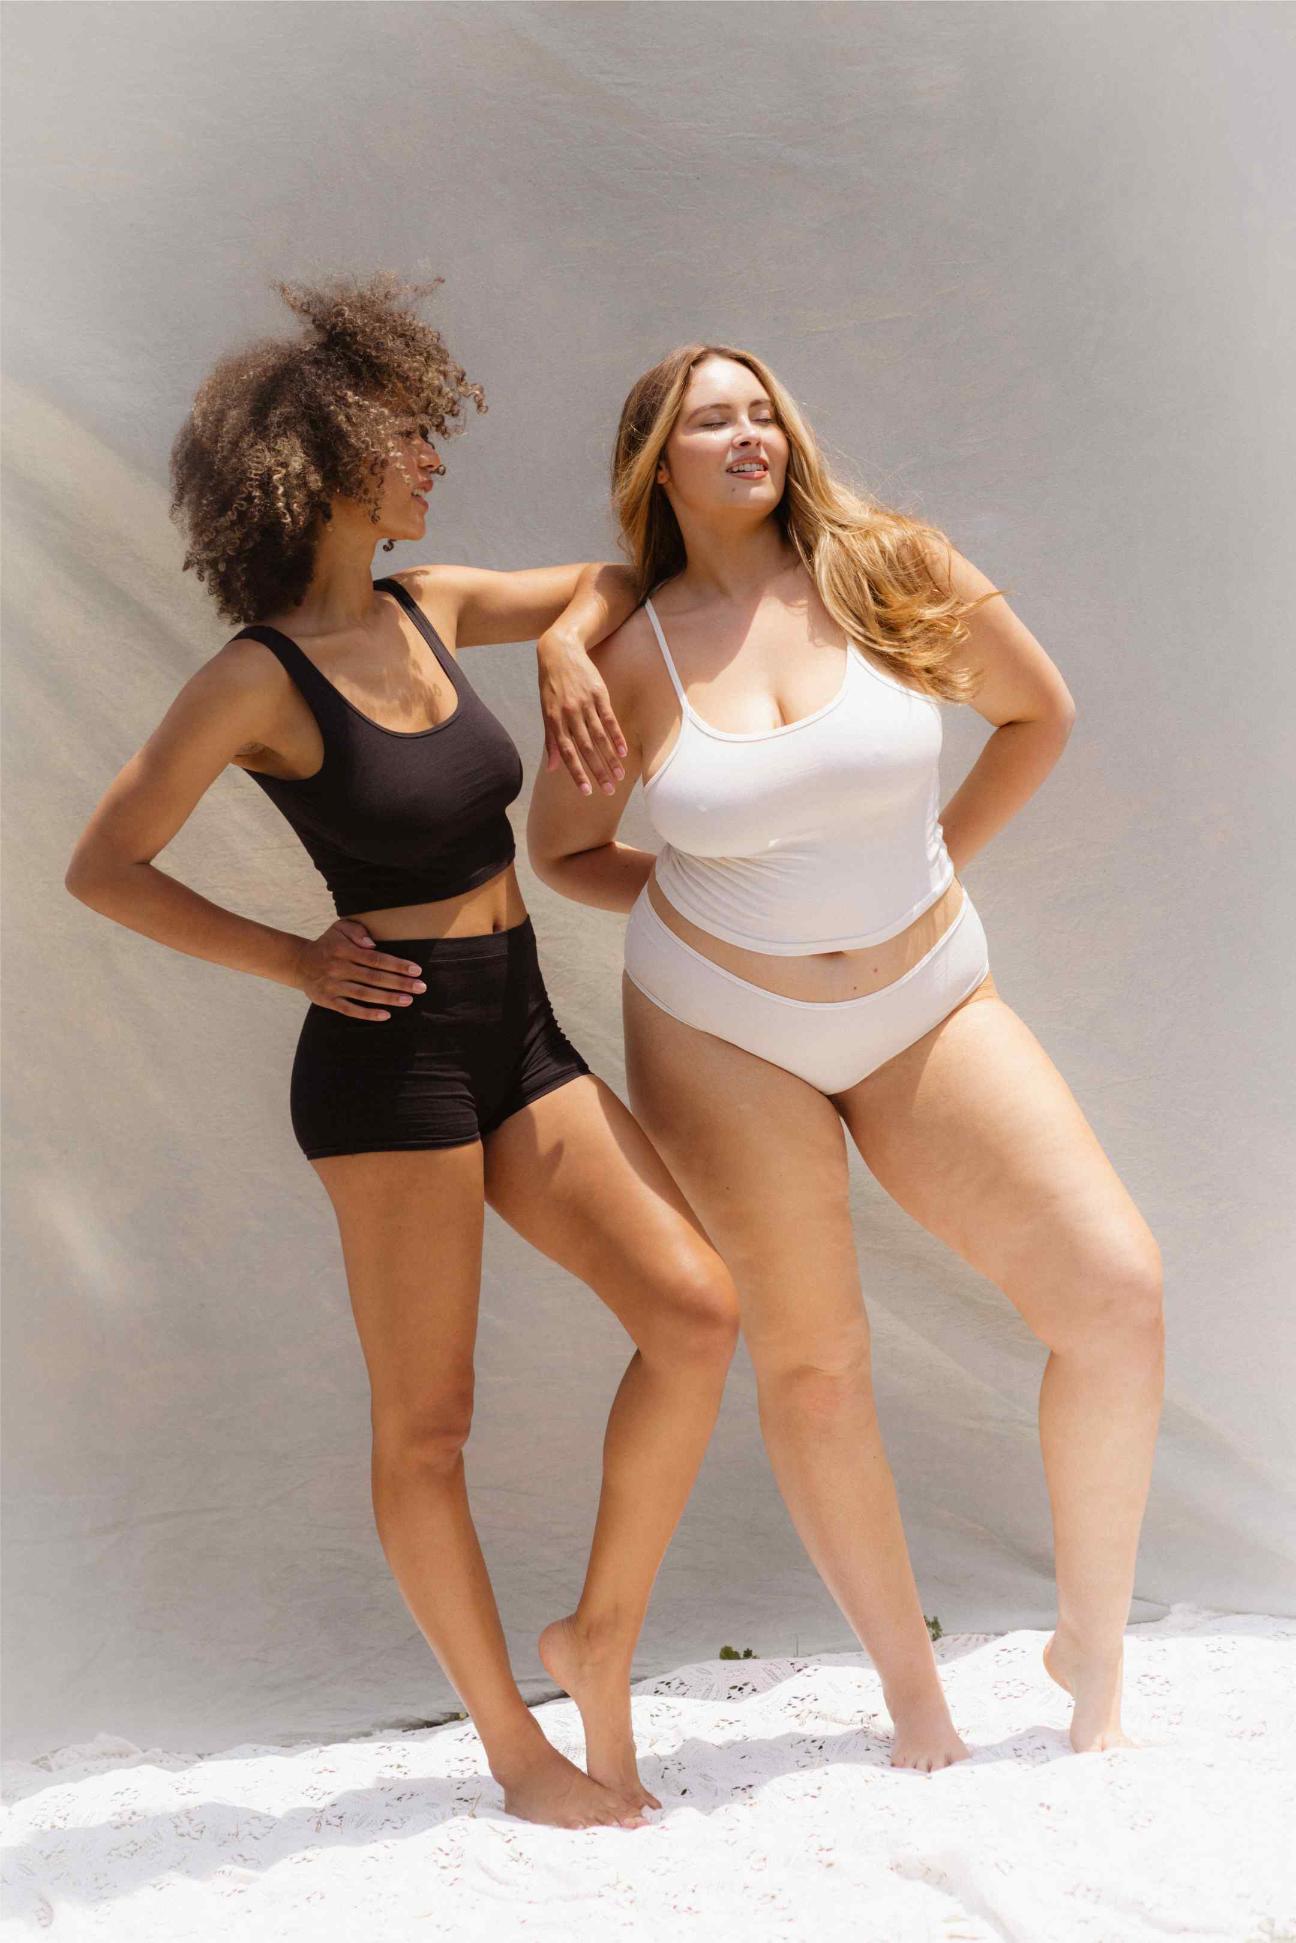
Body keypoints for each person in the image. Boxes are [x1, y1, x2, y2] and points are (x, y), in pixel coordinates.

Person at [64, 280, 742, 1830]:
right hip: (392, 1064)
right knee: (428, 1429)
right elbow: (103, 866)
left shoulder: (431, 603)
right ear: (319, 459)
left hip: (518, 1022)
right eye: (408, 437)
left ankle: (595, 1634)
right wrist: (292, 957)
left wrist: (561, 650)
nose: (434, 458)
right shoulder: (257, 678)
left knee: (697, 1312)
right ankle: (515, 1753)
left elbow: (618, 579)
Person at [529, 343, 1165, 1763]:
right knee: (816, 1364)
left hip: (928, 997)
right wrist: (728, 904)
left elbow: (1037, 713)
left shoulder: (890, 569)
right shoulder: (630, 657)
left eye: (764, 411)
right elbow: (563, 852)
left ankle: (1095, 1648)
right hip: (717, 1025)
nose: (749, 434)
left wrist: (928, 868)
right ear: (657, 465)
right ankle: (914, 1700)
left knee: (1115, 1293)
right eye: (712, 421)